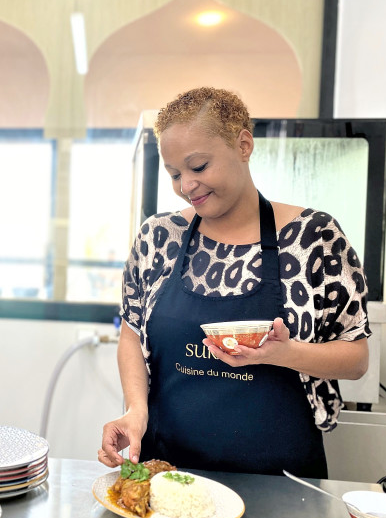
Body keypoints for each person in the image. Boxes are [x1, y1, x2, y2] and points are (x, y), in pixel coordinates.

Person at [98, 87, 370, 479]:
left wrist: (284, 353)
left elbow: (356, 359)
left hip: (280, 482)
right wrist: (135, 411)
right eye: (175, 174)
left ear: (243, 145)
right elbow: (131, 334)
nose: (186, 186)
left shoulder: (312, 237)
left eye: (199, 166)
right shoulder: (159, 237)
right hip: (168, 475)